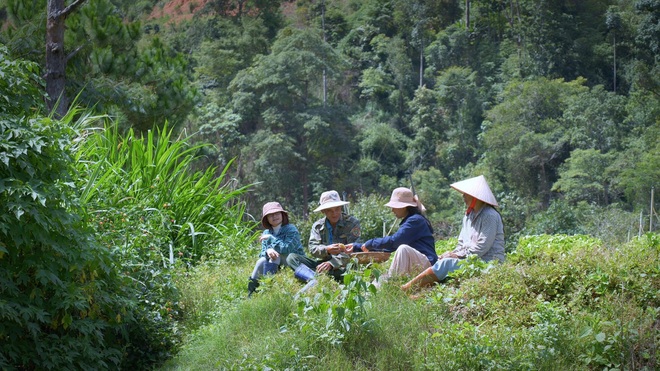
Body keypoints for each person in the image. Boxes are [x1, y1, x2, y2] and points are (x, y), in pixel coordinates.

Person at [401, 175, 505, 291]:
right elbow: (461, 243)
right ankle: (416, 290)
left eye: (466, 194)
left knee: (446, 264)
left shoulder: (490, 215)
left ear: (475, 196)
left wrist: (456, 255)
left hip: (486, 262)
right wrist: (451, 253)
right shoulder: (468, 217)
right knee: (441, 260)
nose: (463, 196)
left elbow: (482, 247)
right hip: (469, 260)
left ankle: (406, 288)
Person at [347, 187, 437, 281]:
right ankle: (390, 284)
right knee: (380, 280)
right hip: (417, 264)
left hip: (427, 264)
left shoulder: (415, 221)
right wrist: (357, 247)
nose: (392, 210)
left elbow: (395, 241)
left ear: (404, 206)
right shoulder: (410, 221)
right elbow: (389, 246)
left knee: (403, 249)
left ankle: (394, 283)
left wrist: (371, 243)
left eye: (394, 206)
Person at [286, 190, 361, 282]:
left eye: (337, 209)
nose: (334, 213)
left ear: (341, 208)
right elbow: (313, 248)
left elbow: (355, 250)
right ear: (323, 211)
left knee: (351, 269)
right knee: (292, 258)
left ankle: (312, 277)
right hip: (322, 264)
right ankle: (315, 279)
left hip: (343, 265)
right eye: (330, 210)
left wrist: (332, 263)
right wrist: (326, 249)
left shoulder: (352, 223)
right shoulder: (318, 226)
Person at [248, 201, 305, 297]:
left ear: (282, 215)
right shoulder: (267, 232)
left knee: (276, 257)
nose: (274, 216)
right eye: (270, 215)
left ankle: (267, 288)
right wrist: (268, 251)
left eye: (277, 213)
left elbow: (287, 248)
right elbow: (262, 253)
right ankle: (251, 293)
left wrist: (271, 239)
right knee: (261, 260)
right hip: (275, 263)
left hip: (293, 261)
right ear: (267, 219)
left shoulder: (291, 229)